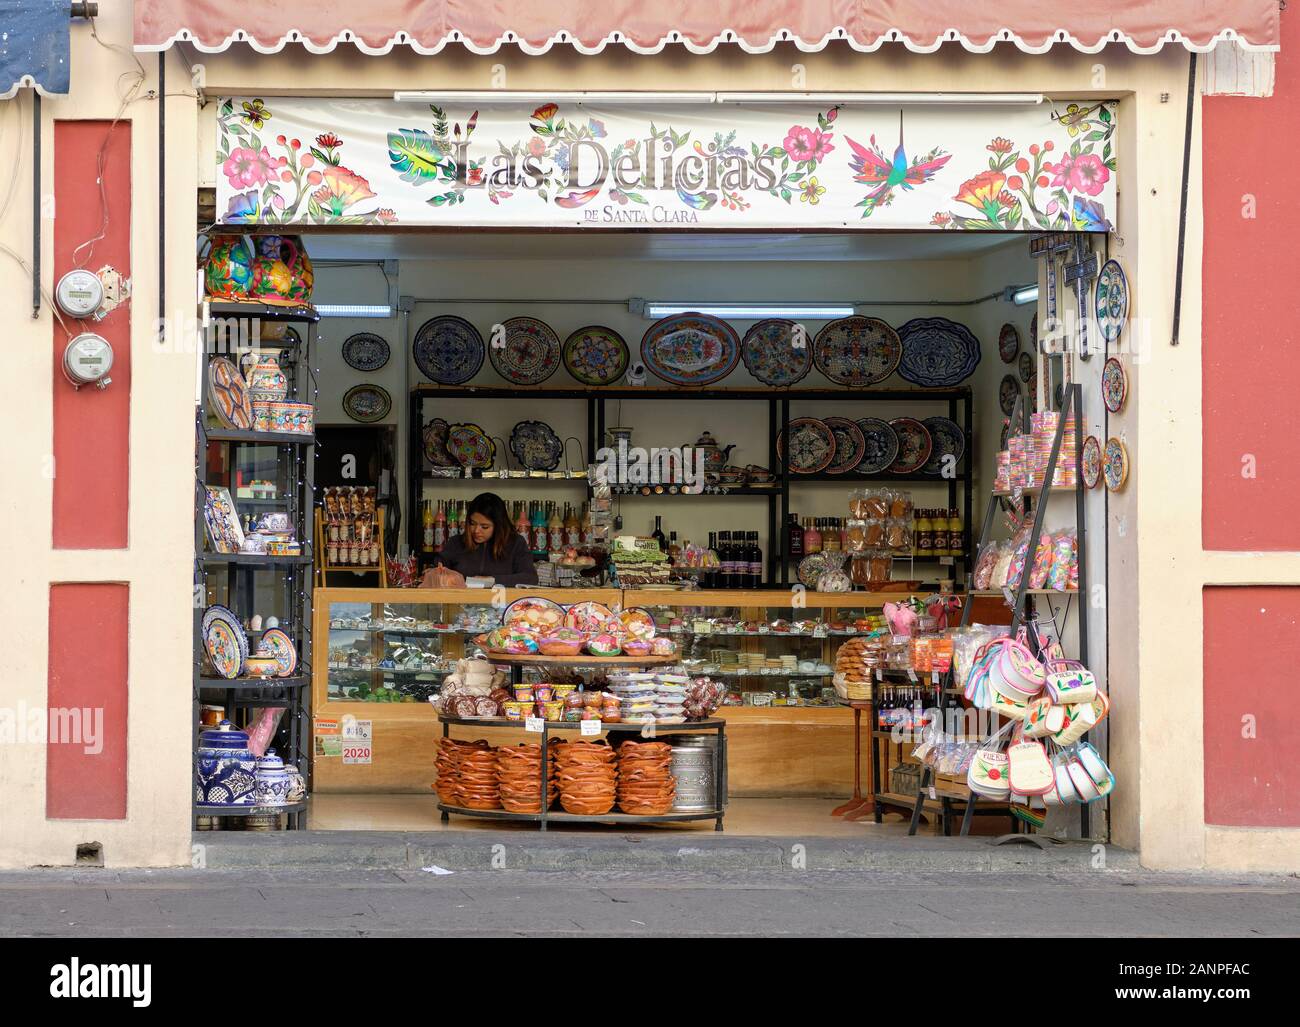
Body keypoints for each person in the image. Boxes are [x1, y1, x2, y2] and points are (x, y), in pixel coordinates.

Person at [421, 492, 538, 587]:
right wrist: (435, 573)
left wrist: (492, 580)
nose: (476, 530)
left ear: (498, 526)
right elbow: (438, 568)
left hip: (501, 608)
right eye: (472, 524)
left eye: (484, 526)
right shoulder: (456, 543)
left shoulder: (515, 543)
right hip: (460, 609)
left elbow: (530, 578)